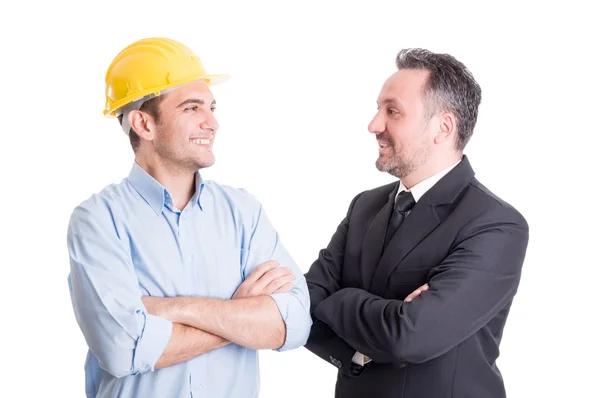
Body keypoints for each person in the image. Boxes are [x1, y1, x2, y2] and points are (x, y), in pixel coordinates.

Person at [66, 37, 312, 398]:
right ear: (143, 124)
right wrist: (239, 315)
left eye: (212, 107)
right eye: (191, 108)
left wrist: (173, 310)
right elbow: (124, 350)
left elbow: (292, 324)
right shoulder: (99, 221)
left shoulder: (243, 213)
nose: (212, 123)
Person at [303, 48, 529, 398]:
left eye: (392, 111)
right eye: (378, 109)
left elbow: (410, 336)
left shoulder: (496, 224)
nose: (374, 125)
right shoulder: (365, 206)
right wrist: (360, 348)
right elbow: (303, 301)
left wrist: (337, 298)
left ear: (443, 127)